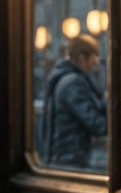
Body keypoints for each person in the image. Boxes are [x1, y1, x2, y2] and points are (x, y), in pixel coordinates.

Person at [38, 34, 108, 170]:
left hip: (66, 157)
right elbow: (95, 123)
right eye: (94, 56)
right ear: (82, 58)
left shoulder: (67, 79)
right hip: (70, 159)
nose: (97, 61)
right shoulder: (73, 83)